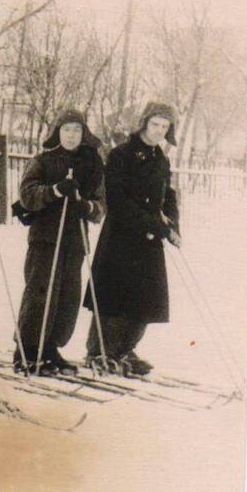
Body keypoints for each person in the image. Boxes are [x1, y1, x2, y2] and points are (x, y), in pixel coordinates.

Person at [83, 102, 181, 377]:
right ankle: (100, 351)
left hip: (149, 242)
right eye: (155, 125)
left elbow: (168, 195)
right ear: (144, 124)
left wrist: (173, 225)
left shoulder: (161, 158)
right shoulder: (121, 155)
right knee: (114, 298)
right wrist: (155, 225)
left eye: (164, 127)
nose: (159, 131)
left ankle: (125, 350)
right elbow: (118, 200)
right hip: (121, 238)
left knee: (145, 300)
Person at [13, 109, 105, 376]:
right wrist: (53, 191)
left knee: (67, 297)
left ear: (84, 133)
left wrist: (85, 207)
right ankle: (27, 351)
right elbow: (27, 195)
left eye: (77, 130)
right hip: (46, 238)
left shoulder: (93, 163)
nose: (72, 135)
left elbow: (101, 205)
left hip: (75, 239)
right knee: (41, 293)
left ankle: (51, 347)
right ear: (57, 132)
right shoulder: (43, 160)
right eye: (67, 129)